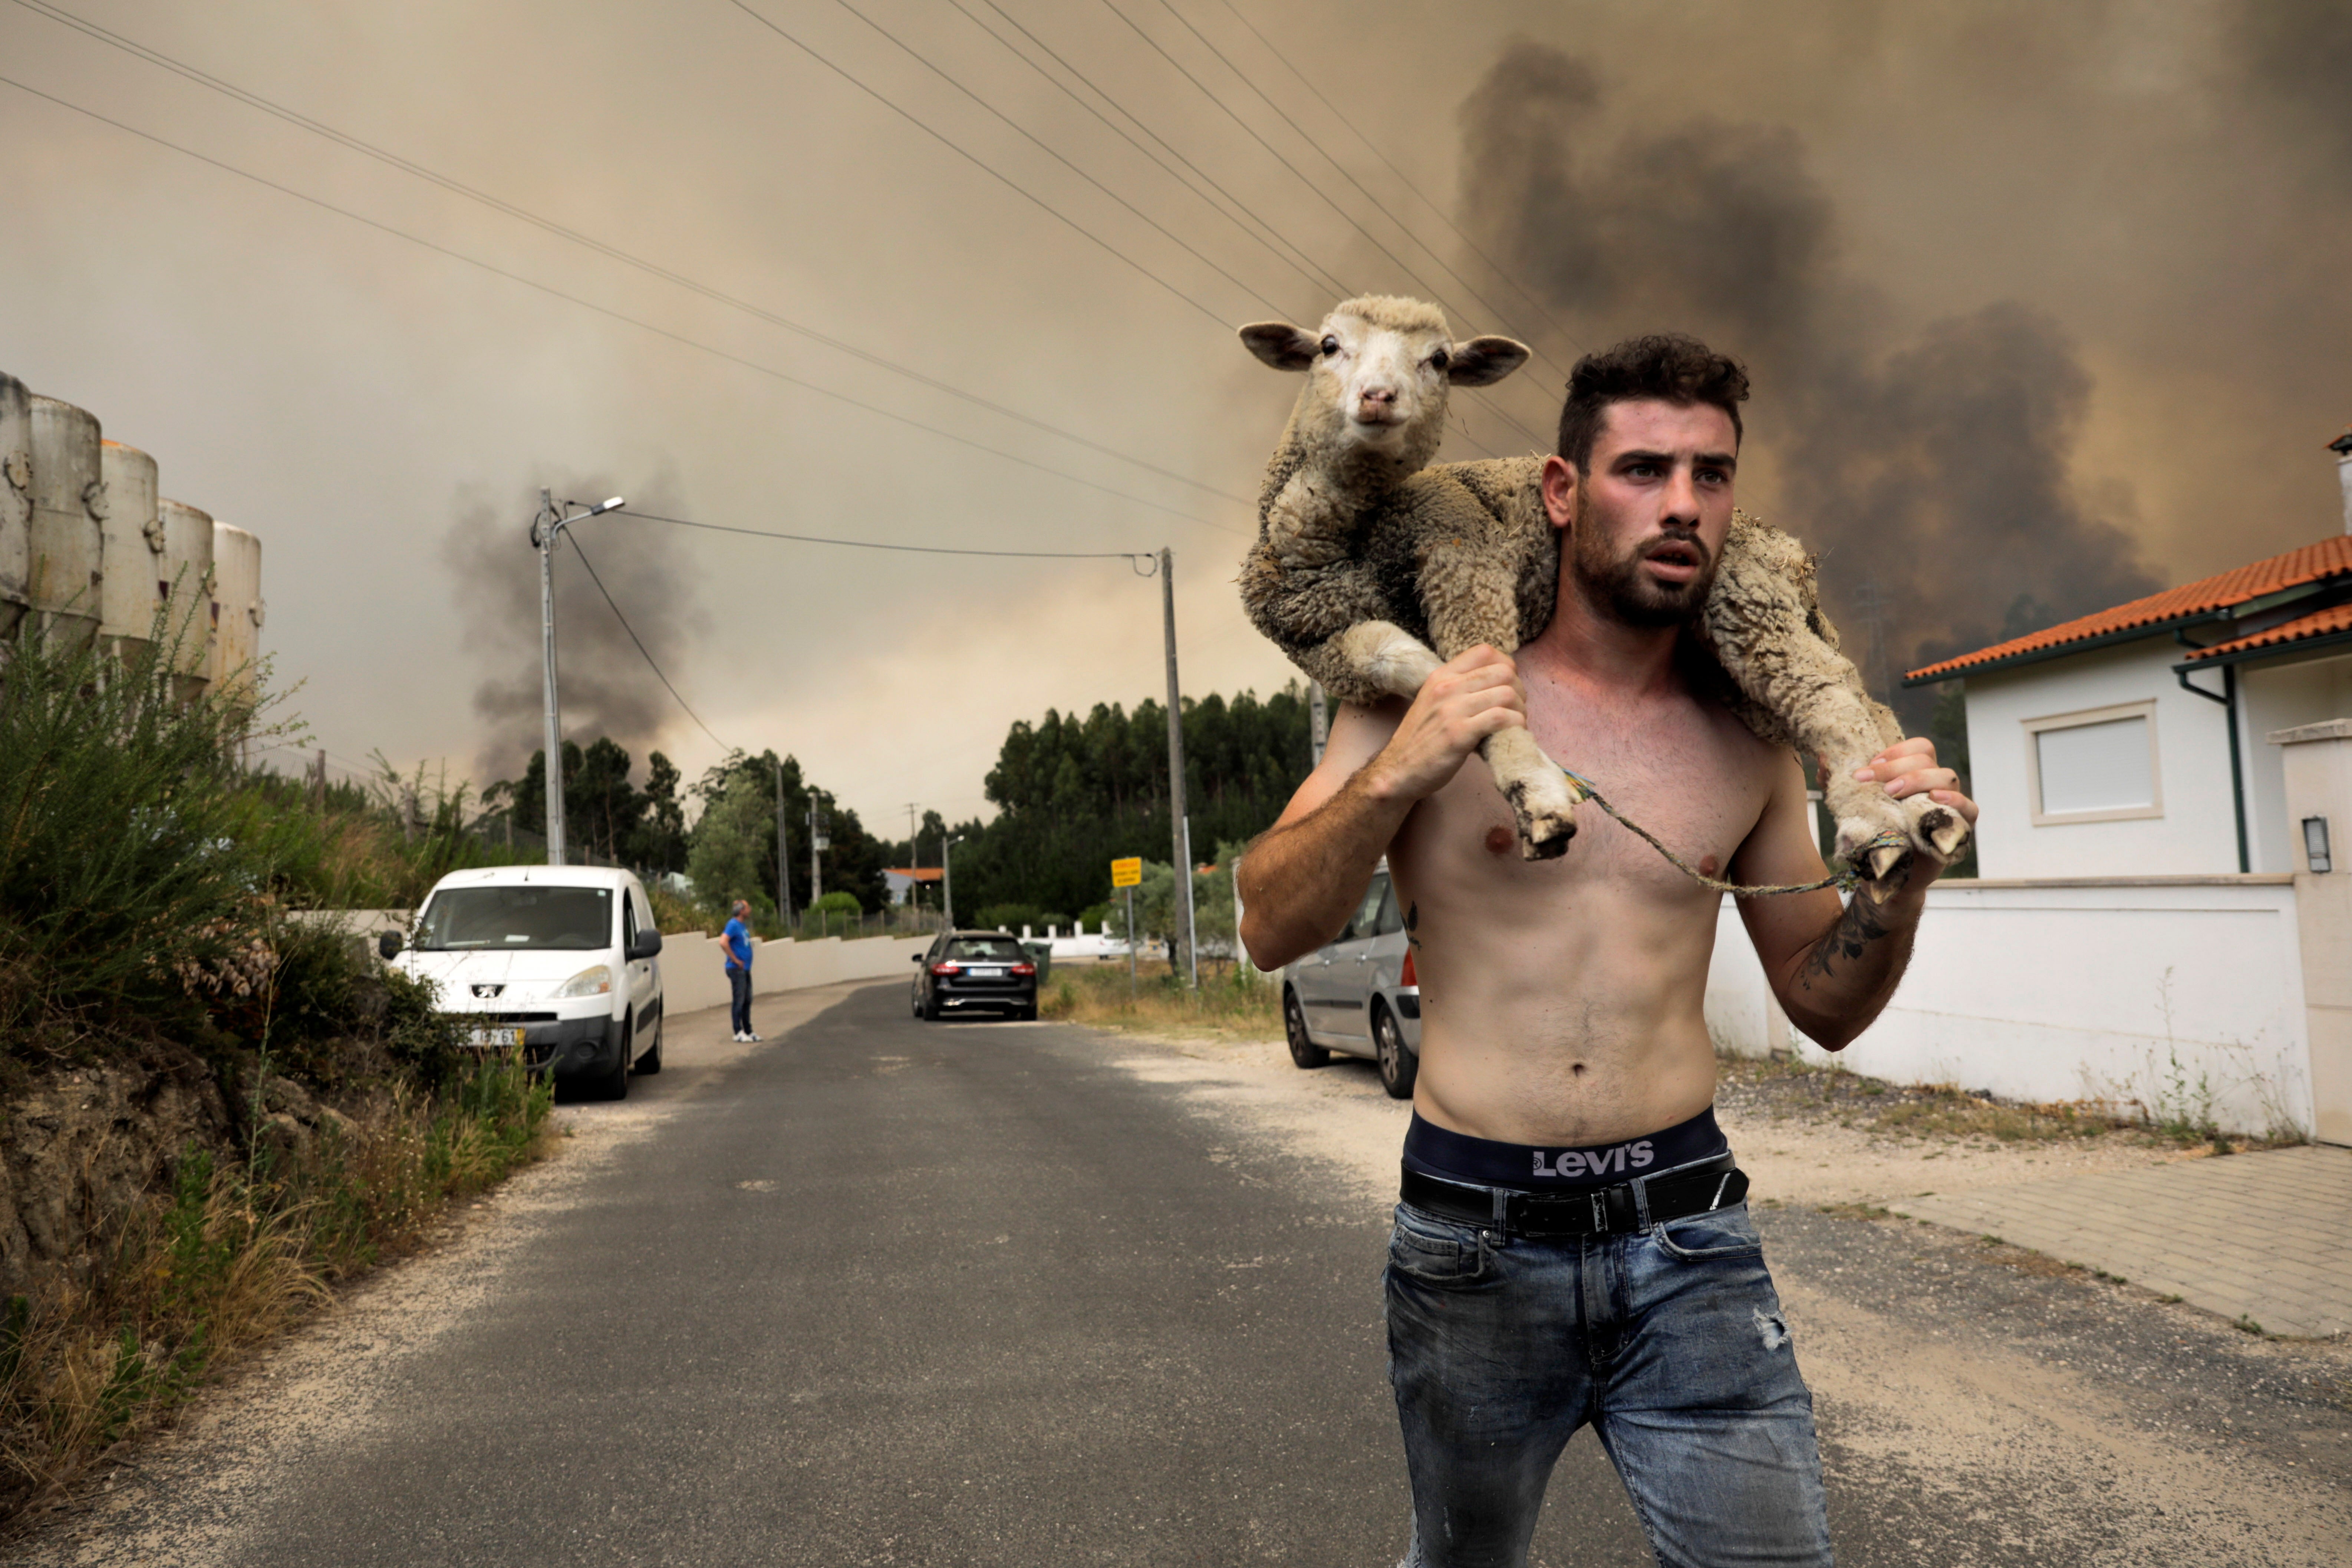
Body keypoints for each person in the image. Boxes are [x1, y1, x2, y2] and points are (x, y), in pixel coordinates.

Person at [1237, 334, 1977, 1568]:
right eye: (1643, 468)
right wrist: (1408, 763)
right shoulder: (1425, 689)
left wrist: (1897, 894)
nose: (1682, 503)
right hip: (1471, 1241)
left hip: (1687, 1236)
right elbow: (1270, 923)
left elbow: (1822, 1004)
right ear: (1562, 492)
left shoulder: (1745, 733)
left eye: (1710, 473)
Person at [723, 899, 759, 1044]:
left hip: (745, 969)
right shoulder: (733, 925)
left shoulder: (742, 925)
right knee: (739, 1001)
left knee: (747, 1000)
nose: (750, 910)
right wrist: (735, 959)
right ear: (741, 910)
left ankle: (748, 1031)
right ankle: (738, 1032)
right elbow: (723, 942)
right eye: (747, 907)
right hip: (737, 969)